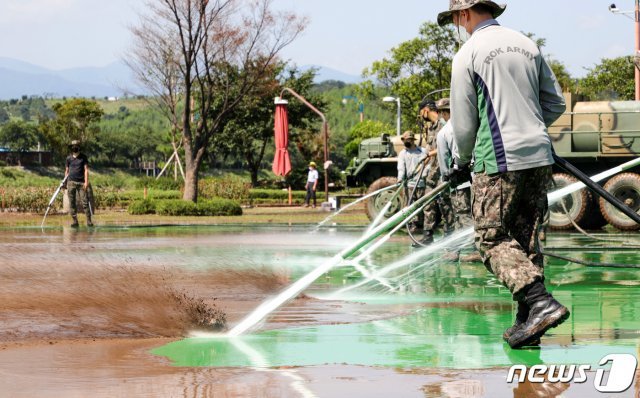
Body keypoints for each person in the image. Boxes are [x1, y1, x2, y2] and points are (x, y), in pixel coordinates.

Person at [438, 0, 568, 348]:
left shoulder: (468, 53)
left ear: (464, 13)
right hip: (539, 155)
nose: (456, 24)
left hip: (498, 159)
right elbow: (555, 103)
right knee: (524, 240)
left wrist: (461, 161)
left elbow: (463, 124)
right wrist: (531, 127)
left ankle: (540, 302)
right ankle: (528, 322)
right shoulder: (527, 44)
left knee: (491, 238)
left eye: (454, 18)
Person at [419, 100, 455, 245]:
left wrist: (430, 154)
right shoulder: (431, 128)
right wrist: (422, 162)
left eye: (421, 112)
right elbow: (429, 149)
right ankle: (427, 235)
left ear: (426, 110)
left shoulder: (444, 124)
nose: (421, 116)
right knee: (428, 203)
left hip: (443, 171)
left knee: (445, 204)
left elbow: (445, 146)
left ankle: (449, 235)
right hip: (433, 172)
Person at [65, 140, 92, 227]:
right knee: (72, 202)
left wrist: (86, 182)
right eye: (73, 146)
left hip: (81, 183)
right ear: (71, 147)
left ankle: (89, 221)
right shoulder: (68, 158)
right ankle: (75, 221)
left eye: (76, 146)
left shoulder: (83, 157)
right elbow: (66, 171)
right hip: (71, 182)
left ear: (79, 147)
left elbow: (86, 170)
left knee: (85, 202)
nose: (75, 147)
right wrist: (65, 183)